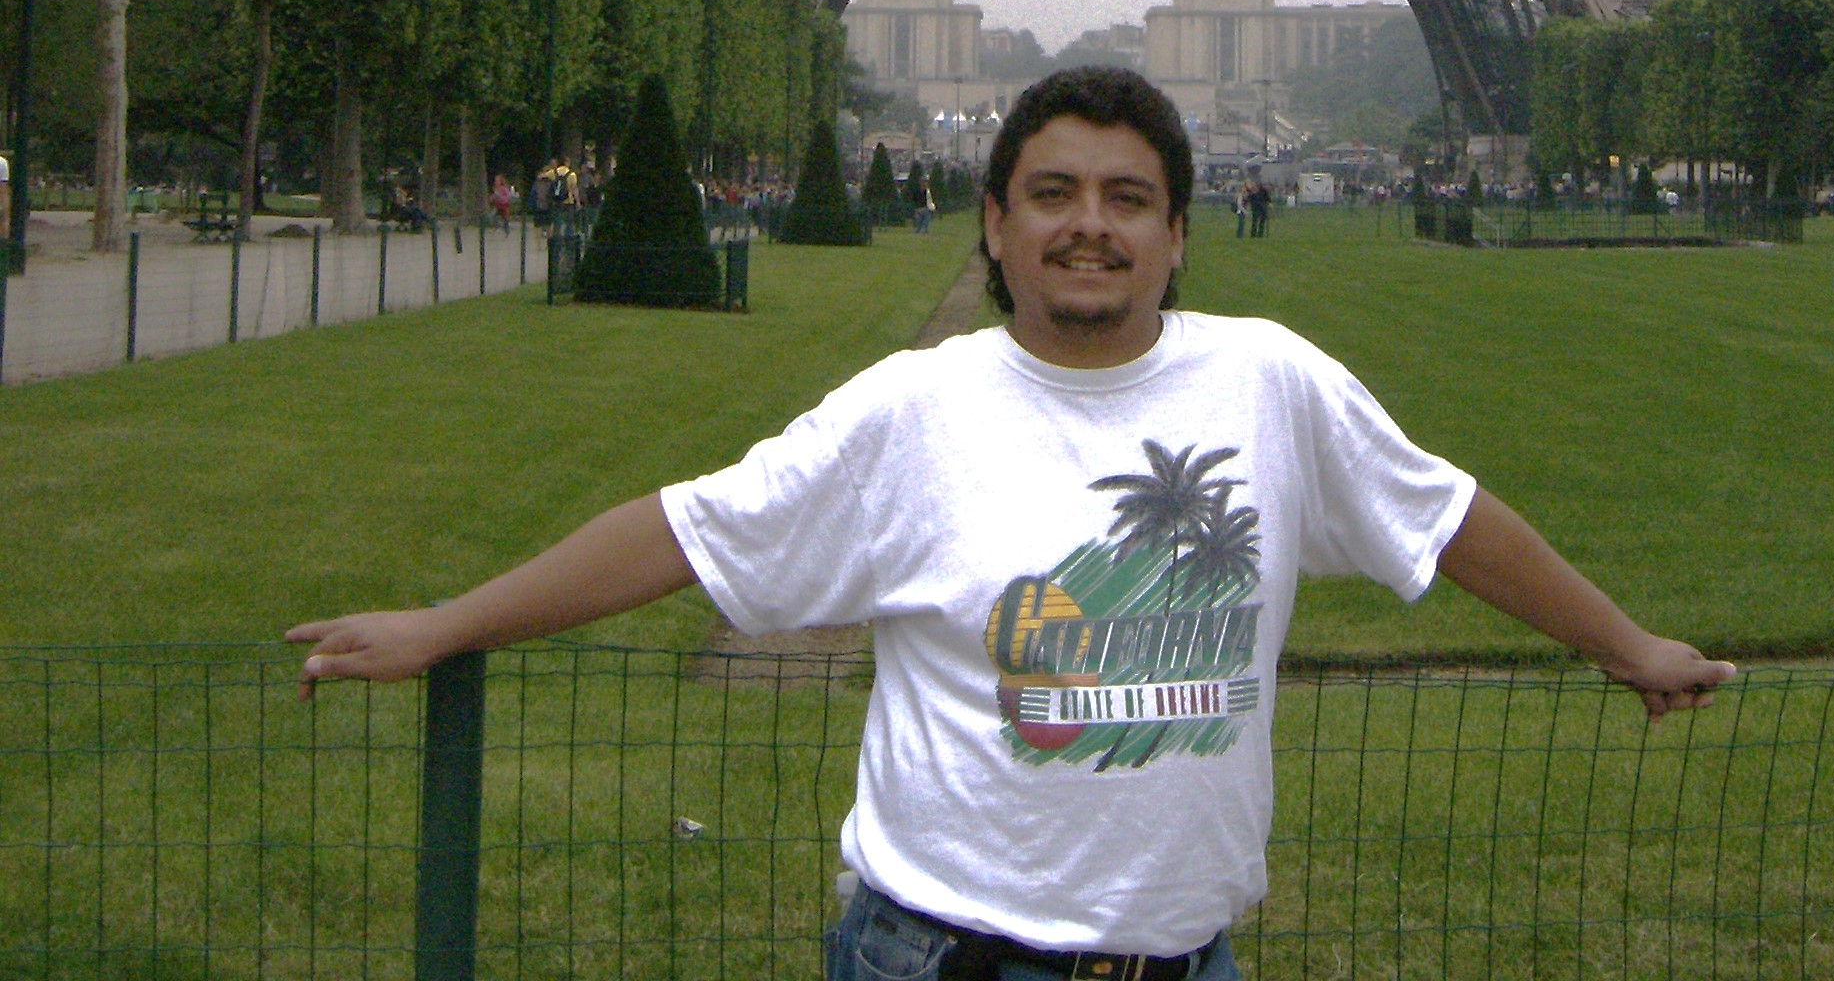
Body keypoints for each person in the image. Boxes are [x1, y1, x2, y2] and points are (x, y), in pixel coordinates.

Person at [289, 69, 1732, 981]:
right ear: (993, 224)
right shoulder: (913, 409)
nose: (1087, 225)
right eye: (1052, 195)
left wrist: (1624, 643)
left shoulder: (1274, 383)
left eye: (1126, 198)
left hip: (1185, 959)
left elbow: (1449, 519)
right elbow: (689, 535)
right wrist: (447, 624)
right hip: (947, 960)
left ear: (1178, 232)